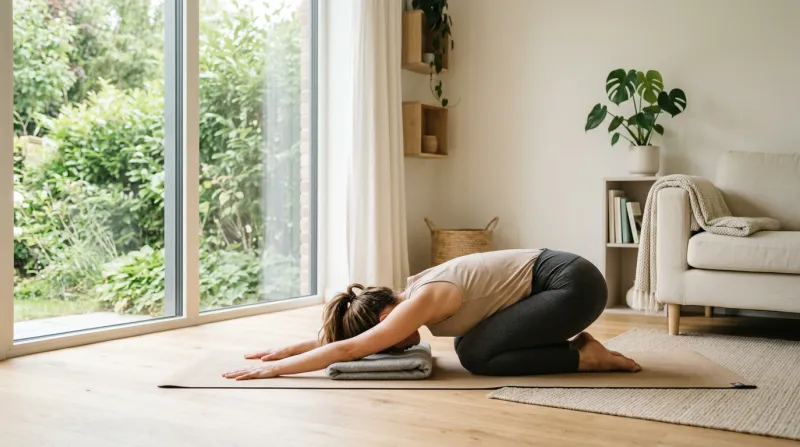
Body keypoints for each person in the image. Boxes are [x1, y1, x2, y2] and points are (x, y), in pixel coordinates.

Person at [222, 248, 642, 381]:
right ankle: (581, 349)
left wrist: (275, 373)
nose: (389, 343)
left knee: (476, 356)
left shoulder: (418, 302)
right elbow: (346, 342)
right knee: (469, 343)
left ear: (386, 313)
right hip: (568, 279)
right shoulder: (410, 295)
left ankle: (584, 357)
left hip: (574, 286)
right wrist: (282, 351)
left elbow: (350, 350)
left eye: (384, 334)